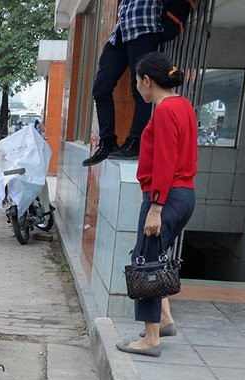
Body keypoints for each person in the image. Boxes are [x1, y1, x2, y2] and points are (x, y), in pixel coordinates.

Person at [115, 52, 197, 358]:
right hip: (184, 194)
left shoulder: (163, 110)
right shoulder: (183, 105)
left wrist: (156, 206)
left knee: (146, 263)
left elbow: (164, 161)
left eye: (137, 81)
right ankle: (164, 319)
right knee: (149, 255)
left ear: (147, 80)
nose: (137, 87)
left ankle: (150, 339)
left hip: (166, 196)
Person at [83, 0, 164, 166]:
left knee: (142, 89)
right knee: (100, 90)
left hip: (143, 28)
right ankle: (108, 143)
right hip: (118, 35)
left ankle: (135, 142)